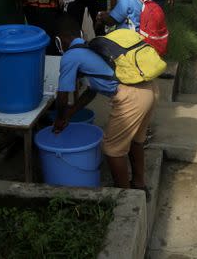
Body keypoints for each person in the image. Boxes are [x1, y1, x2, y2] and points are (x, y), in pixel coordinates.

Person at [52, 16, 155, 192]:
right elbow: (92, 90)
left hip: (131, 97)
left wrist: (60, 118)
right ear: (80, 33)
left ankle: (125, 198)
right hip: (150, 89)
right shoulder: (92, 49)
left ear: (60, 39)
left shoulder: (70, 56)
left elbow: (62, 96)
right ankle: (139, 185)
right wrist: (71, 113)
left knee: (112, 150)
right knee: (136, 140)